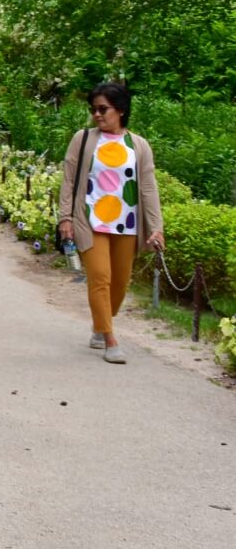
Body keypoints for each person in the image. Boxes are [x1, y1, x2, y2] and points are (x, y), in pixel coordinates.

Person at [57, 83, 164, 364]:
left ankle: (99, 325)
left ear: (121, 109)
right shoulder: (83, 139)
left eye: (102, 109)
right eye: (93, 109)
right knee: (100, 278)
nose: (96, 115)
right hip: (89, 221)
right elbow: (69, 180)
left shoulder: (138, 145)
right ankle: (110, 338)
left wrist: (155, 227)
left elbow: (149, 189)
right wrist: (65, 217)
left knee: (120, 284)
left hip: (127, 224)